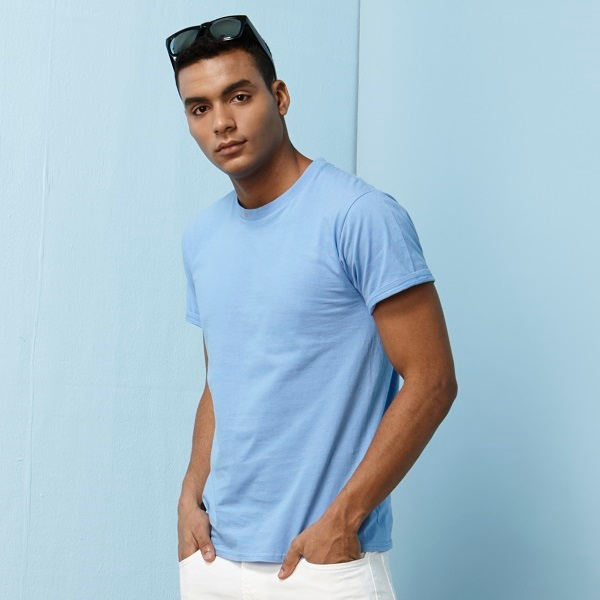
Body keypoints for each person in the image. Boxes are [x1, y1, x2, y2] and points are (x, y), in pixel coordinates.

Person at [167, 14, 457, 600]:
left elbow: (432, 380)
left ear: (279, 97)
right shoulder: (201, 238)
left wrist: (344, 520)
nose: (221, 122)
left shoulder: (359, 216)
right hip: (214, 557)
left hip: (320, 565)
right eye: (199, 108)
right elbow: (223, 378)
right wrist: (189, 496)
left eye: (239, 96)